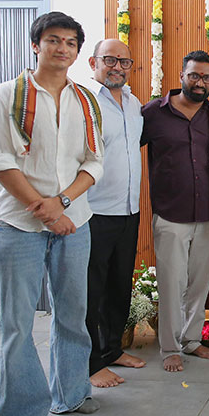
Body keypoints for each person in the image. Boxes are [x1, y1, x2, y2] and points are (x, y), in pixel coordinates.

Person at [0, 11, 102, 416]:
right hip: (20, 227)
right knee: (17, 324)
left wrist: (63, 203)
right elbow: (0, 162)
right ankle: (20, 415)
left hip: (75, 223)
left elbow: (94, 162)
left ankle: (71, 393)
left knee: (72, 313)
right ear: (36, 45)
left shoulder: (84, 100)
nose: (62, 48)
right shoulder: (5, 96)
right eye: (53, 40)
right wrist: (44, 209)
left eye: (70, 42)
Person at [141, 50, 209, 372]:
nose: (200, 82)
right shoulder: (154, 113)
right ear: (181, 76)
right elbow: (123, 147)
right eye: (194, 75)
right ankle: (170, 347)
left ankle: (192, 340)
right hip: (170, 213)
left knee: (199, 283)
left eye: (206, 77)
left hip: (207, 213)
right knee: (171, 285)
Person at [85, 38, 145, 388]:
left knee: (119, 286)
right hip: (93, 211)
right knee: (91, 292)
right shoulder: (85, 101)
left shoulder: (134, 103)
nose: (118, 67)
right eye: (110, 60)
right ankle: (91, 363)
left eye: (124, 62)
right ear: (93, 63)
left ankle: (111, 350)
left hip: (128, 210)